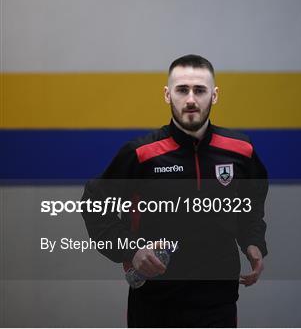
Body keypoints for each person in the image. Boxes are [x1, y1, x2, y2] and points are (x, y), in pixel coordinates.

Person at [81, 54, 268, 328]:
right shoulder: (141, 154)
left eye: (200, 90)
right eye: (182, 90)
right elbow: (93, 206)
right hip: (155, 305)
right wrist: (131, 250)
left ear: (214, 95)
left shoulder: (241, 151)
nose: (191, 99)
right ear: (167, 95)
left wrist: (252, 241)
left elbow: (250, 204)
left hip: (219, 302)